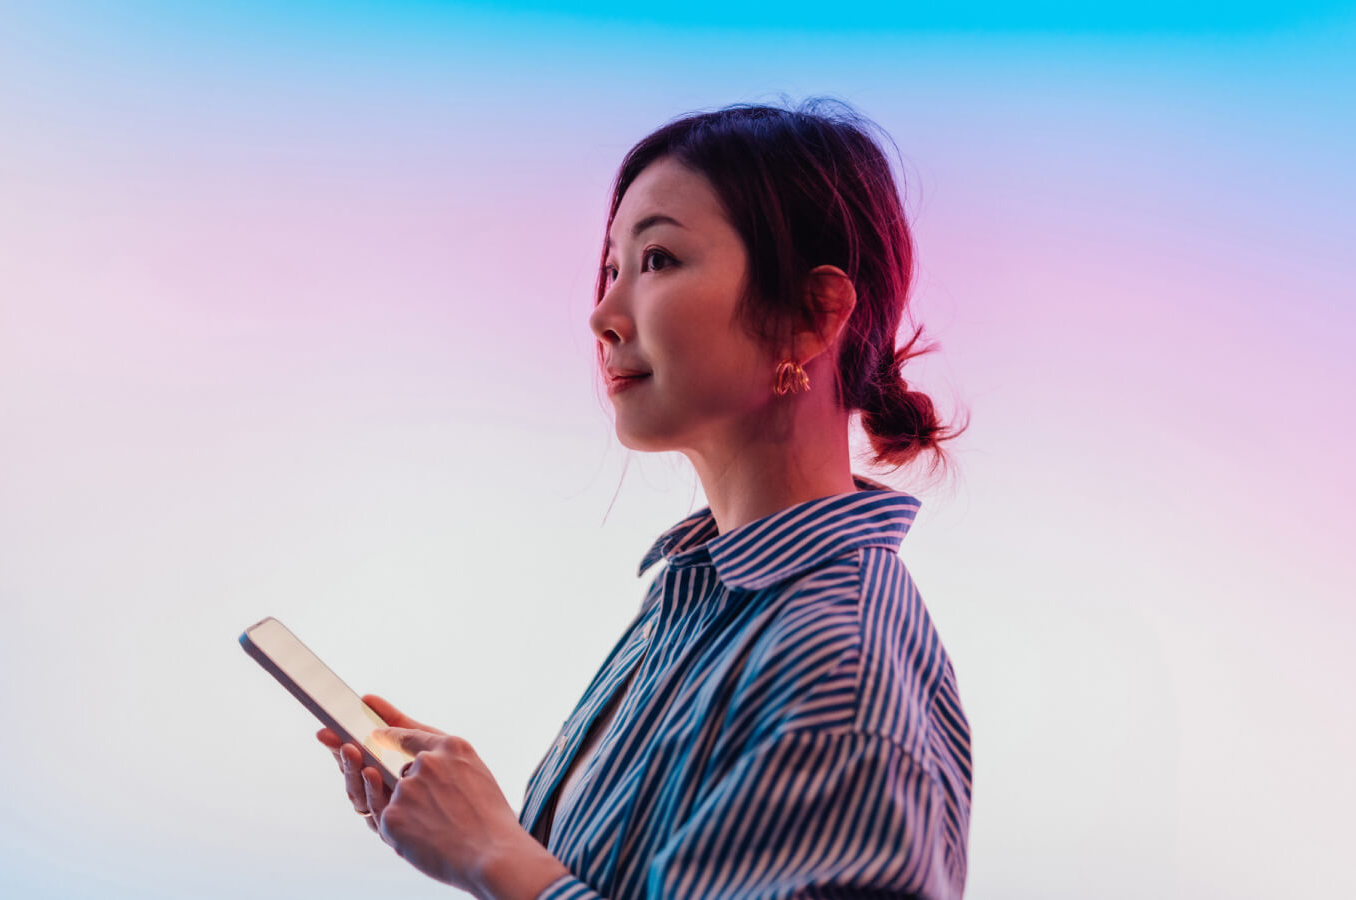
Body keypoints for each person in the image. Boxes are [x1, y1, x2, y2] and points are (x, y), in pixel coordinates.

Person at [316, 97, 973, 900]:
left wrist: (494, 856)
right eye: (611, 269)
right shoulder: (702, 600)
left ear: (812, 315)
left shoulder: (837, 671)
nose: (602, 315)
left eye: (657, 260)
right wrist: (467, 822)